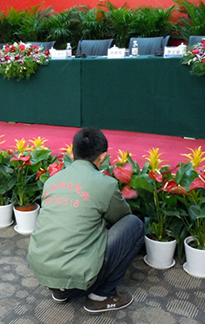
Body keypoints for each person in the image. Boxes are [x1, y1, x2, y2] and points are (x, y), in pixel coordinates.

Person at [27, 127, 144, 314]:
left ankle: (60, 291)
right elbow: (121, 217)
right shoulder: (105, 184)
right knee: (134, 225)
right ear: (102, 157)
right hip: (79, 278)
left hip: (42, 272)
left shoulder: (52, 180)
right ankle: (102, 296)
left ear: (72, 154)